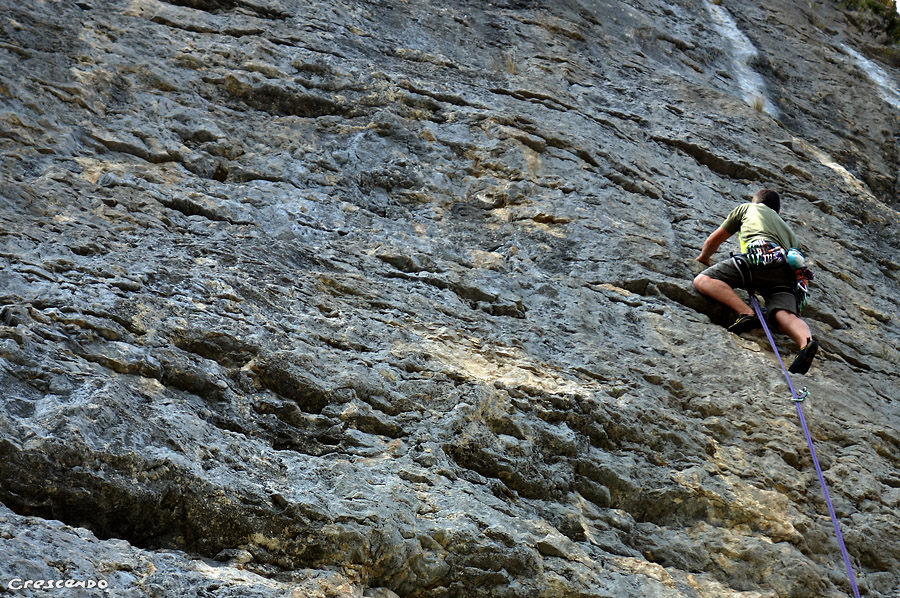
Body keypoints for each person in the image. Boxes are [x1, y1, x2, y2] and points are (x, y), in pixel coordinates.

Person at [693, 189, 818, 374]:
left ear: (756, 201)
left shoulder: (746, 209)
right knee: (785, 315)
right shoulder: (789, 232)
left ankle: (745, 313)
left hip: (761, 258)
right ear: (778, 212)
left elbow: (714, 240)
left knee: (703, 280)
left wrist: (704, 258)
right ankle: (805, 342)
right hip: (787, 274)